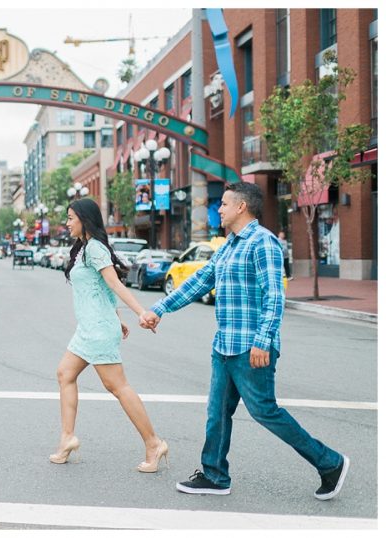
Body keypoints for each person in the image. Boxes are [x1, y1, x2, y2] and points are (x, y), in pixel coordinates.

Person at [140, 183, 348, 500]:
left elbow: (274, 297)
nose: (218, 209)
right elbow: (201, 279)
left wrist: (263, 341)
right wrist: (160, 309)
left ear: (241, 207)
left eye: (223, 204)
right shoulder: (230, 245)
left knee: (265, 411)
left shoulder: (262, 243)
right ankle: (214, 475)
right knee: (217, 413)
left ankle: (329, 462)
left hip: (251, 348)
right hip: (224, 345)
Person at [51, 197, 167, 472]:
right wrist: (117, 317)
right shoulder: (83, 248)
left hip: (97, 330)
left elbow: (113, 283)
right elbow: (100, 288)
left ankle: (154, 443)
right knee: (65, 374)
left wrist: (141, 312)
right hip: (90, 327)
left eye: (70, 218)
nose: (66, 223)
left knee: (118, 387)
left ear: (84, 219)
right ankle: (67, 438)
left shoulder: (95, 250)